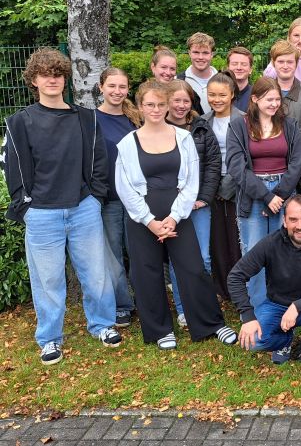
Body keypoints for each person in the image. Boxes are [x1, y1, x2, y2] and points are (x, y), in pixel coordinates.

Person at [2, 48, 122, 364]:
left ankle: (103, 325)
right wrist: (26, 207)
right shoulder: (20, 122)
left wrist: (95, 197)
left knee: (95, 272)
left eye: (57, 74)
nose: (52, 80)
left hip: (83, 208)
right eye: (45, 75)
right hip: (41, 213)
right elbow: (14, 170)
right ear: (34, 80)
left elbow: (99, 161)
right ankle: (50, 339)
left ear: (65, 78)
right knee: (48, 280)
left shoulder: (86, 118)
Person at [116, 80, 237, 350]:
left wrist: (174, 217)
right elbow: (124, 188)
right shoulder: (127, 144)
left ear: (167, 106)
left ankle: (210, 323)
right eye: (150, 104)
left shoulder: (183, 138)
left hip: (177, 213)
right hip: (143, 217)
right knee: (147, 272)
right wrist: (150, 222)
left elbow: (191, 180)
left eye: (161, 104)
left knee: (193, 267)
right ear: (140, 106)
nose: (156, 109)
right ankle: (160, 329)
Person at [228, 195, 301, 381]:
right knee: (254, 342)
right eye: (293, 219)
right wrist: (248, 316)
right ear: (284, 221)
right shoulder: (271, 243)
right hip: (278, 305)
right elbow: (235, 276)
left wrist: (297, 306)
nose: (299, 226)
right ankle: (285, 341)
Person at [227, 77, 301, 311]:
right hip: (253, 195)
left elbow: (297, 162)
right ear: (255, 99)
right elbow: (236, 166)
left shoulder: (289, 125)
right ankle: (258, 308)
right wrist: (266, 196)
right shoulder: (238, 126)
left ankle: (284, 305)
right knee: (254, 251)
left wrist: (279, 194)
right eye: (269, 99)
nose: (274, 104)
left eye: (277, 99)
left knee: (287, 248)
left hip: (285, 192)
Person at [165, 79, 221, 327]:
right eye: (176, 100)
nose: (181, 105)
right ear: (167, 101)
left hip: (198, 204)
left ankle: (203, 304)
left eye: (185, 101)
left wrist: (204, 198)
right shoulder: (158, 127)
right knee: (177, 258)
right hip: (170, 205)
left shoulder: (201, 127)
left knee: (203, 257)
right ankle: (183, 308)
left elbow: (213, 164)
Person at [96, 68, 140, 329]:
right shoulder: (90, 120)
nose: (117, 91)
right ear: (101, 87)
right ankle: (122, 305)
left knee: (139, 252)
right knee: (112, 255)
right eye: (111, 86)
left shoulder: (136, 118)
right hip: (109, 199)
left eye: (122, 86)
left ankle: (145, 300)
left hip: (136, 197)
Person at [202, 71, 245, 300]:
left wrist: (228, 185)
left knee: (237, 239)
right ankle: (221, 287)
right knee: (217, 239)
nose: (216, 99)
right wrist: (213, 185)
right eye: (212, 95)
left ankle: (240, 288)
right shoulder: (203, 121)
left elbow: (246, 157)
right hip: (211, 186)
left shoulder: (244, 119)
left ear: (232, 95)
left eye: (222, 95)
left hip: (237, 184)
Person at [264, 39, 301, 146]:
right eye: (281, 62)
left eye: (290, 62)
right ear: (273, 63)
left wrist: (286, 148)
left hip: (299, 154)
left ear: (296, 63)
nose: (285, 66)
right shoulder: (262, 93)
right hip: (266, 152)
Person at [177, 32, 217, 114]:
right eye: (196, 52)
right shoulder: (178, 81)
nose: (200, 57)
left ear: (212, 54)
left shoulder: (223, 81)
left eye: (205, 53)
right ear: (189, 53)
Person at [228, 46, 254, 112]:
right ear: (228, 68)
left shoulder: (257, 95)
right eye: (234, 64)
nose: (239, 67)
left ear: (250, 69)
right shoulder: (220, 94)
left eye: (244, 64)